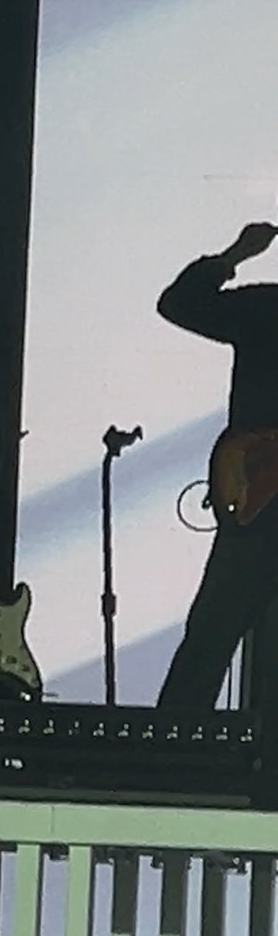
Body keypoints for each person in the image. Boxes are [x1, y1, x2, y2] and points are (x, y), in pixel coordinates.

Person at [157, 222, 278, 707]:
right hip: (259, 497)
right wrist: (233, 256)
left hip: (255, 496)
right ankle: (174, 742)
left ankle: (177, 738)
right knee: (210, 638)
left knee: (210, 638)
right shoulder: (267, 308)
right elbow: (179, 305)